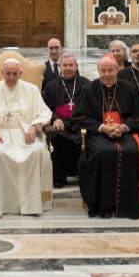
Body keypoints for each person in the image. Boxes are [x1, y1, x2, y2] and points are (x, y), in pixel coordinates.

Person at [0, 58, 53, 217]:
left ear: (20, 73)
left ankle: (30, 206)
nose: (11, 78)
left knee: (36, 150)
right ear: (2, 73)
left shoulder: (31, 90)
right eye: (8, 74)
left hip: (24, 135)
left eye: (14, 74)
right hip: (0, 136)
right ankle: (3, 205)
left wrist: (33, 125)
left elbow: (45, 113)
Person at [76, 55, 139, 219]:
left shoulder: (129, 88)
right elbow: (79, 117)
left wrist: (124, 127)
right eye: (103, 71)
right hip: (98, 133)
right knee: (104, 153)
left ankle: (126, 206)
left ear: (117, 70)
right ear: (98, 71)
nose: (107, 74)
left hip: (124, 132)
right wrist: (103, 127)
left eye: (110, 70)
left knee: (131, 152)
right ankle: (104, 205)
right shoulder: (89, 89)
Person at [42, 52, 87, 188]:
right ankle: (59, 178)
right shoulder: (51, 85)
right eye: (65, 65)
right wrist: (55, 119)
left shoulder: (86, 84)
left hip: (81, 122)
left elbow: (91, 106)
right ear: (60, 67)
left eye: (71, 65)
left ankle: (83, 175)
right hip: (61, 123)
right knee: (57, 137)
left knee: (88, 137)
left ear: (76, 66)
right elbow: (46, 108)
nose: (68, 68)